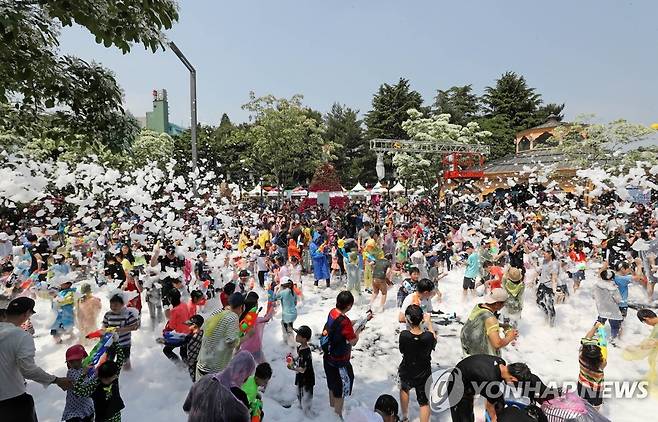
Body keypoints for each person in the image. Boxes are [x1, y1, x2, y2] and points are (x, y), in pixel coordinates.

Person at [0, 297, 72, 422]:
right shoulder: (21, 336)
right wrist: (56, 380)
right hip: (12, 400)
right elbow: (28, 370)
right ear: (26, 314)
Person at [447, 355, 548, 422]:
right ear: (513, 379)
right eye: (516, 384)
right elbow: (490, 406)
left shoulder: (501, 363)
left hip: (471, 377)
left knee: (498, 400)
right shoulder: (490, 379)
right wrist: (495, 419)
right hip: (457, 386)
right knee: (463, 418)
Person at [323, 291, 371, 418]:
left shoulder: (333, 312)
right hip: (339, 361)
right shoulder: (344, 322)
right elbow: (353, 341)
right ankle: (337, 416)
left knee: (332, 384)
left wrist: (357, 321)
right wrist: (359, 331)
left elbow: (343, 325)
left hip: (328, 355)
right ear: (349, 306)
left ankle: (331, 411)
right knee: (340, 389)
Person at [184, 351, 256, 422]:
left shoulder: (204, 380)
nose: (245, 381)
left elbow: (186, 408)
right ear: (243, 373)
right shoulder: (239, 397)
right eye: (247, 377)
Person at [398, 304, 436, 422]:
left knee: (404, 389)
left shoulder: (404, 335)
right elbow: (434, 339)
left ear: (408, 319)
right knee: (424, 403)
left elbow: (402, 350)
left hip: (407, 370)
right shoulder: (428, 337)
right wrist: (429, 323)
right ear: (421, 318)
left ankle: (404, 417)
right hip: (424, 373)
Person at [73, 343, 126, 422]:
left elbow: (120, 359)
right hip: (103, 419)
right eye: (113, 376)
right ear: (105, 378)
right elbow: (77, 392)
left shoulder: (114, 377)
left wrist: (115, 343)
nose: (116, 376)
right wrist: (83, 374)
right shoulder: (95, 386)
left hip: (116, 414)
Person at [196, 292, 243, 379]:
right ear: (241, 307)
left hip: (201, 364)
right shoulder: (233, 317)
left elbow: (203, 328)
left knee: (200, 392)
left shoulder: (217, 312)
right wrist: (242, 338)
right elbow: (230, 342)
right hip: (214, 370)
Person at [461, 288, 518, 357]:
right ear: (497, 303)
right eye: (503, 303)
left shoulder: (479, 307)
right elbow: (497, 344)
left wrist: (501, 325)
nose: (504, 306)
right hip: (481, 357)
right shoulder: (491, 319)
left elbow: (479, 323)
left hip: (469, 350)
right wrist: (510, 337)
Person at [102, 294, 139, 370]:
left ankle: (128, 374)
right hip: (111, 343)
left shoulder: (127, 314)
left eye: (115, 305)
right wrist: (104, 333)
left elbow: (135, 327)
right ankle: (111, 375)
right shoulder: (108, 314)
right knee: (109, 360)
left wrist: (121, 329)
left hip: (124, 343)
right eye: (111, 305)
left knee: (125, 360)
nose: (113, 307)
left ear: (122, 304)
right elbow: (104, 325)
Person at [577, 323, 607, 408]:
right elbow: (603, 349)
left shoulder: (581, 355)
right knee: (596, 406)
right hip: (595, 389)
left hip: (582, 384)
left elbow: (587, 338)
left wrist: (595, 327)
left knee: (583, 403)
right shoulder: (601, 365)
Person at [62, 345, 95, 422]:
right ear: (68, 363)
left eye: (78, 360)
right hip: (74, 410)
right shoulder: (71, 372)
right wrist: (90, 374)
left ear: (83, 359)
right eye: (71, 361)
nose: (75, 364)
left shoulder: (85, 368)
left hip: (86, 405)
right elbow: (82, 385)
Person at [162, 290, 192, 362]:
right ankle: (186, 366)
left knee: (166, 350)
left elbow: (172, 326)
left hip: (180, 335)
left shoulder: (174, 310)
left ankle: (179, 366)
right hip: (188, 332)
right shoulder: (184, 305)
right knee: (183, 352)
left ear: (170, 299)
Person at [292, 325, 315, 416]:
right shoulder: (300, 347)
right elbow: (299, 357)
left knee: (307, 396)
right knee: (299, 392)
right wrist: (293, 359)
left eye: (298, 335)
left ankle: (307, 413)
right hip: (301, 377)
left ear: (304, 339)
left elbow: (303, 369)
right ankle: (300, 409)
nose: (296, 336)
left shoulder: (306, 353)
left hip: (307, 378)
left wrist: (292, 368)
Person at [593, 269, 623, 339]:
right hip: (612, 309)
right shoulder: (613, 287)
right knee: (615, 325)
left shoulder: (596, 285)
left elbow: (593, 295)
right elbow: (618, 300)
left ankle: (593, 335)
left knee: (600, 321)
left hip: (601, 307)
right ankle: (614, 339)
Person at [537, 248, 559, 326]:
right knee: (539, 302)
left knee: (550, 305)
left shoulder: (554, 264)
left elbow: (554, 277)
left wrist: (554, 289)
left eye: (545, 253)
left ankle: (551, 324)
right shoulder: (544, 261)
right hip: (542, 284)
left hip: (549, 286)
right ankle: (546, 314)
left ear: (550, 254)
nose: (543, 254)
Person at [274, 277, 298, 346]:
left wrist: (276, 289)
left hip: (286, 314)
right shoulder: (293, 292)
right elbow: (295, 303)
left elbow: (274, 298)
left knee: (285, 328)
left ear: (282, 285)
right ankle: (291, 341)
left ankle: (289, 343)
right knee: (290, 326)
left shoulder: (283, 293)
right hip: (294, 313)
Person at [183, 315, 204, 381]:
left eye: (190, 324)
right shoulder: (202, 332)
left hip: (194, 362)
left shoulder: (191, 337)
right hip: (199, 361)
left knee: (195, 379)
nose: (188, 326)